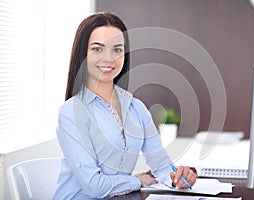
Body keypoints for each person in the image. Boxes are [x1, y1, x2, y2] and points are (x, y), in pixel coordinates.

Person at [53, 12, 197, 199]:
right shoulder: (71, 112)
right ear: (83, 53)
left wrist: (178, 177)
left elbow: (161, 167)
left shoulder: (136, 108)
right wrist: (138, 180)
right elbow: (94, 187)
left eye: (117, 49)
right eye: (97, 49)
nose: (109, 58)